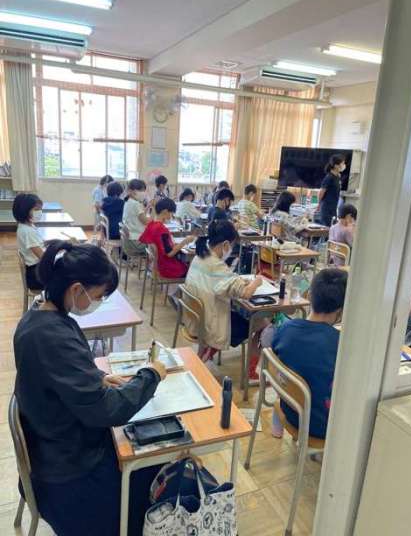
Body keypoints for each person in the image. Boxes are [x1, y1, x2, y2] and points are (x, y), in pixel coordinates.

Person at [13, 241, 167, 536]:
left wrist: (97, 376)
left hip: (57, 445)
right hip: (68, 474)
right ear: (76, 289)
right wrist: (151, 375)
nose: (98, 303)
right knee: (155, 485)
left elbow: (61, 372)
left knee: (154, 459)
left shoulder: (40, 316)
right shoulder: (51, 336)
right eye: (97, 296)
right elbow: (108, 410)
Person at [271, 268, 348, 439]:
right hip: (319, 425)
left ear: (310, 296)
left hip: (289, 409)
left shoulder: (285, 329)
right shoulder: (338, 344)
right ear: (341, 309)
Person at [185, 220, 263, 363]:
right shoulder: (217, 266)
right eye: (232, 246)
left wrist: (237, 280)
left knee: (240, 314)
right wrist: (257, 281)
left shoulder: (200, 256)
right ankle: (251, 369)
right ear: (226, 244)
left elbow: (220, 281)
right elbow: (246, 294)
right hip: (210, 325)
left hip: (197, 320)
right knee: (263, 322)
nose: (231, 250)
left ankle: (208, 349)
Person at [140, 198, 196, 279]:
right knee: (193, 270)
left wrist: (175, 244)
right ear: (165, 211)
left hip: (157, 265)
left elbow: (162, 246)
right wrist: (185, 241)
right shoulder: (161, 229)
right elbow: (169, 253)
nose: (172, 216)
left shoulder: (151, 225)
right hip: (167, 268)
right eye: (171, 213)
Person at [13, 193, 45, 290]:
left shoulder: (26, 226)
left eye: (40, 209)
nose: (39, 212)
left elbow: (38, 244)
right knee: (66, 275)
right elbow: (43, 257)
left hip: (35, 270)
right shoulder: (28, 232)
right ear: (24, 211)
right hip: (36, 275)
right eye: (36, 209)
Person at [122, 179, 150, 256]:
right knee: (158, 244)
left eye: (144, 191)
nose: (143, 193)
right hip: (136, 244)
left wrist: (148, 206)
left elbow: (140, 215)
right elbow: (146, 222)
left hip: (129, 242)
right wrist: (154, 210)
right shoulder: (136, 204)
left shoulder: (128, 202)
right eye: (141, 190)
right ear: (132, 191)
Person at [318, 155, 346, 226]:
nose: (344, 165)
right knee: (327, 229)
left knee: (333, 228)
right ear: (336, 165)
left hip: (333, 208)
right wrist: (319, 204)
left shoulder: (338, 176)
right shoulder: (329, 177)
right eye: (342, 163)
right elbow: (321, 192)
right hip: (326, 208)